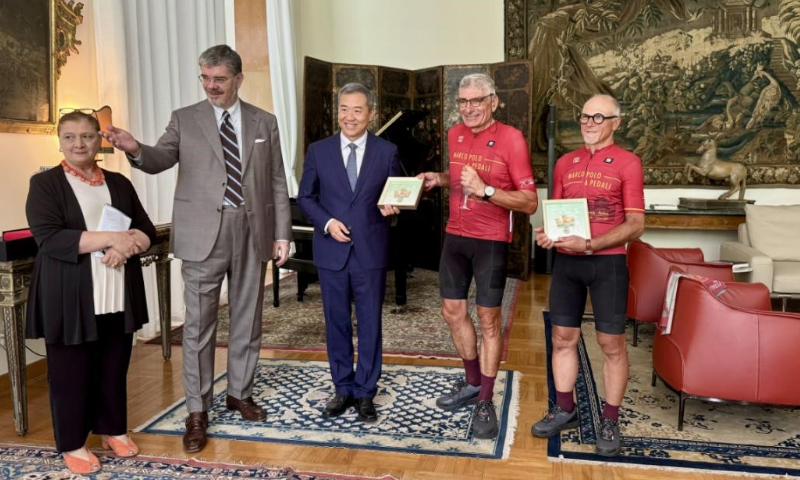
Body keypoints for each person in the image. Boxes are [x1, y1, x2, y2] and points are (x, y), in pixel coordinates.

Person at [101, 45, 293, 453]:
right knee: (198, 326)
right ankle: (197, 409)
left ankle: (240, 392)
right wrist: (134, 147)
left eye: (219, 79)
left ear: (238, 79)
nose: (211, 86)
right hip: (202, 231)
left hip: (252, 228)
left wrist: (283, 233)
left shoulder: (265, 122)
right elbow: (158, 158)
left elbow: (277, 180)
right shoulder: (184, 119)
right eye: (205, 78)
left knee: (247, 317)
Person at [25, 112, 156, 474]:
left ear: (100, 139)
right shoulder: (45, 183)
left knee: (114, 364)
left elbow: (144, 228)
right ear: (60, 140)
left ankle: (111, 428)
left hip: (116, 288)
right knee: (71, 372)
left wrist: (127, 247)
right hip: (70, 293)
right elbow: (50, 237)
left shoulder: (118, 181)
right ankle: (72, 443)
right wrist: (112, 238)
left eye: (86, 136)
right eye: (69, 137)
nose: (78, 144)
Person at [419, 73, 538, 438]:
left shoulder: (512, 139)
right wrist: (439, 180)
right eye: (463, 101)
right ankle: (472, 383)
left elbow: (529, 203)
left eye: (476, 101)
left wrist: (486, 190)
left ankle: (486, 399)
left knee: (488, 320)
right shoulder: (455, 134)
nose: (468, 108)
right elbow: (458, 175)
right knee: (452, 312)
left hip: (490, 241)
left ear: (493, 102)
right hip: (456, 237)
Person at [530, 94, 645, 457]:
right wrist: (547, 232)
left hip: (607, 263)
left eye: (598, 117)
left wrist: (592, 243)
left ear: (616, 122)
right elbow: (558, 214)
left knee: (611, 344)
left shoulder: (629, 163)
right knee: (563, 337)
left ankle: (609, 418)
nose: (589, 123)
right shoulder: (565, 162)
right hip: (567, 264)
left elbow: (636, 224)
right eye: (584, 116)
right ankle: (565, 408)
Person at [297, 83, 400, 422]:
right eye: (344, 108)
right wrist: (326, 223)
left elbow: (398, 193)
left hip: (371, 250)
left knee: (370, 323)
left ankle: (366, 391)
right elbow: (306, 198)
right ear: (337, 111)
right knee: (336, 322)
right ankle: (343, 388)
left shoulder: (387, 151)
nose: (349, 116)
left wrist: (394, 207)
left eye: (357, 109)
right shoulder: (318, 151)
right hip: (331, 250)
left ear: (371, 114)